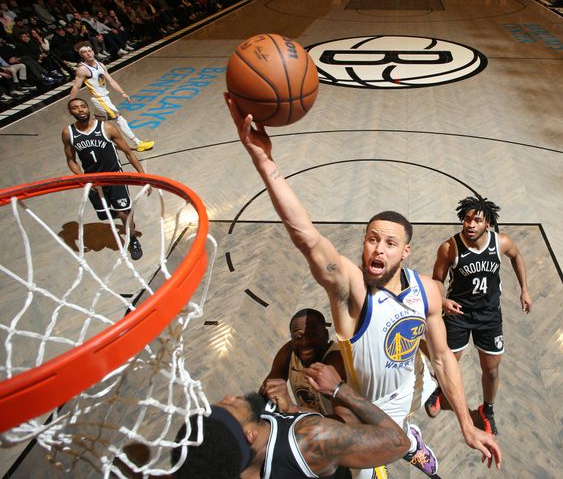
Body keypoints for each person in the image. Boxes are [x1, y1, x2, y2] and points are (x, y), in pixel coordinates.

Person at [225, 94, 502, 478]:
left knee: (403, 422)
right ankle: (406, 440)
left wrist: (466, 424)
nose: (377, 248)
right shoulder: (351, 288)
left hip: (409, 390)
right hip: (361, 404)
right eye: (372, 239)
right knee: (361, 467)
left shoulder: (427, 290)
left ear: (406, 251)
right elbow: (306, 236)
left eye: (389, 243)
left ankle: (409, 435)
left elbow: (441, 360)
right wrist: (264, 161)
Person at [172, 363, 409, 478]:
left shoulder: (222, 467)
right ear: (250, 435)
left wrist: (292, 409)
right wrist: (338, 389)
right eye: (228, 408)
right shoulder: (312, 438)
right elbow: (398, 442)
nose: (228, 398)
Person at [427, 195, 531, 436]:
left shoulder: (501, 242)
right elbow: (437, 280)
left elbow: (516, 256)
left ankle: (488, 410)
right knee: (446, 362)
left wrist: (524, 289)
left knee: (492, 370)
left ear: (488, 224)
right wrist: (442, 300)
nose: (470, 224)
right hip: (458, 313)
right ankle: (440, 391)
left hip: (489, 315)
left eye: (477, 220)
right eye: (467, 219)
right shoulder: (449, 247)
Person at [62, 98, 146, 260]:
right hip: (94, 181)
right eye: (75, 108)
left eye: (83, 106)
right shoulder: (68, 133)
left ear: (88, 108)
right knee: (105, 216)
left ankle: (133, 240)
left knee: (123, 213)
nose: (80, 110)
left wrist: (142, 175)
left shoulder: (106, 127)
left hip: (115, 176)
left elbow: (128, 152)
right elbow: (71, 160)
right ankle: (126, 217)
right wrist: (82, 178)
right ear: (70, 112)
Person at [69, 42, 154, 152]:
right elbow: (76, 86)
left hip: (104, 97)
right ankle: (138, 143)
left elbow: (111, 80)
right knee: (120, 119)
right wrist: (71, 103)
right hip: (100, 99)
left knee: (99, 122)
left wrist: (122, 92)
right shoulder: (82, 69)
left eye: (89, 51)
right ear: (81, 55)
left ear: (93, 51)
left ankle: (93, 143)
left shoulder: (100, 64)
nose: (88, 53)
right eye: (84, 52)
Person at [260, 308, 346, 416]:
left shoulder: (336, 361)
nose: (304, 342)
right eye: (298, 336)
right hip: (307, 424)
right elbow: (264, 397)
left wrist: (293, 408)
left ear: (325, 334)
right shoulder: (288, 352)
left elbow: (346, 422)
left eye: (311, 334)